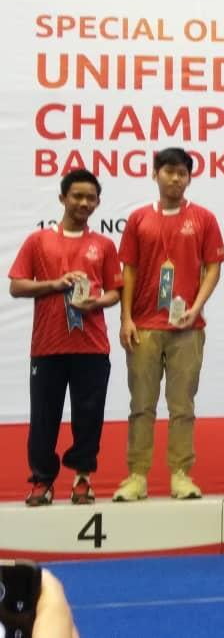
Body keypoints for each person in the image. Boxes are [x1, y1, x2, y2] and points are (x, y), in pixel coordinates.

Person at [113, 147, 224, 501]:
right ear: (155, 174)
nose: (175, 178)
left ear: (189, 177)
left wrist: (196, 306)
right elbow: (127, 270)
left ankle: (180, 474)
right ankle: (136, 475)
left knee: (182, 405)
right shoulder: (138, 219)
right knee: (141, 404)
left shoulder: (204, 218)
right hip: (144, 325)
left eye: (182, 173)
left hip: (187, 327)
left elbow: (213, 267)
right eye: (169, 172)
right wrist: (126, 317)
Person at [8, 169, 122, 507]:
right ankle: (42, 480)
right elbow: (16, 285)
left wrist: (96, 302)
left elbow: (115, 291)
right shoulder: (38, 241)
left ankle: (83, 478)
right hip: (47, 346)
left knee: (89, 416)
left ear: (98, 203)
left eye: (90, 198)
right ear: (62, 198)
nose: (84, 202)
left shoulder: (104, 245)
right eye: (77, 196)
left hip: (92, 346)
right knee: (44, 416)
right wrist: (55, 284)